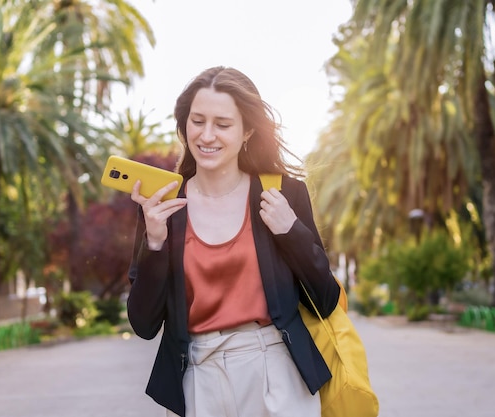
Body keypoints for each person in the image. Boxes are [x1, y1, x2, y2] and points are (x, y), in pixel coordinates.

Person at [127, 66, 340, 417]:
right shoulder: (161, 206)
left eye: (222, 124)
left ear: (247, 131)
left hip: (276, 373)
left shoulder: (283, 194)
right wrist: (154, 243)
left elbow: (326, 299)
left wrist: (291, 232)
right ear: (184, 126)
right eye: (197, 121)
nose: (207, 135)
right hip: (197, 379)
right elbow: (143, 324)